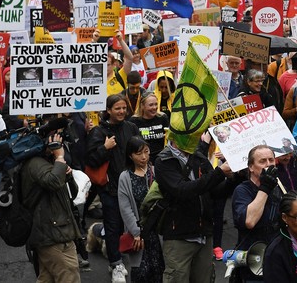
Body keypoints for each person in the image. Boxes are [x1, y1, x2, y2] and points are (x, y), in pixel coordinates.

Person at [155, 131, 233, 283]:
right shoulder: (164, 161)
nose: (195, 138)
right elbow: (183, 190)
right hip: (179, 236)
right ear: (175, 136)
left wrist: (234, 178)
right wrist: (219, 172)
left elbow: (216, 191)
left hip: (204, 234)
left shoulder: (198, 156)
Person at [85, 94, 141, 282]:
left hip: (132, 186)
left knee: (134, 225)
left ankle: (132, 258)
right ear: (108, 110)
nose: (122, 111)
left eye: (124, 108)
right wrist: (105, 147)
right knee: (113, 227)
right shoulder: (99, 132)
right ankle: (115, 263)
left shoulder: (131, 127)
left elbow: (141, 151)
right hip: (110, 189)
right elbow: (91, 160)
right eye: (117, 108)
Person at [22, 128, 82, 283]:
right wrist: (60, 157)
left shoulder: (48, 162)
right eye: (57, 137)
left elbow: (71, 194)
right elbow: (53, 182)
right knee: (69, 275)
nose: (62, 142)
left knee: (47, 278)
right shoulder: (35, 163)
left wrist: (66, 172)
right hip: (53, 234)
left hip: (54, 230)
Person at [117, 136, 164, 282]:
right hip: (138, 233)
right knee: (141, 272)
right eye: (138, 154)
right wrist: (136, 232)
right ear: (130, 155)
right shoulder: (125, 177)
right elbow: (125, 208)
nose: (144, 157)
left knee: (159, 270)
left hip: (158, 230)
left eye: (146, 152)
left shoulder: (156, 172)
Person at [233, 145, 283, 282]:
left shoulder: (280, 188)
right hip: (253, 260)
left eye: (271, 160)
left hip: (276, 257)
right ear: (251, 167)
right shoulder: (242, 190)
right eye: (262, 161)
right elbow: (249, 221)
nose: (268, 165)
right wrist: (265, 188)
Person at [131, 94, 168, 158]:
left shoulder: (163, 118)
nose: (154, 107)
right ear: (142, 106)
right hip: (143, 158)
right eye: (151, 105)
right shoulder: (134, 121)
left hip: (161, 157)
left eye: (156, 104)